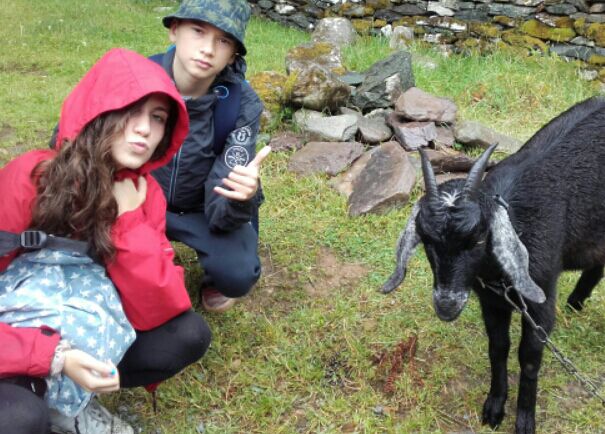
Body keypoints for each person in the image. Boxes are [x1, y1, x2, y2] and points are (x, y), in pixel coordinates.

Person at [0, 48, 211, 434]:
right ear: (98, 112)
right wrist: (51, 356)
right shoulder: (29, 177)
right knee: (21, 418)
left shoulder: (144, 194)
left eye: (158, 117)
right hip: (15, 339)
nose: (145, 129)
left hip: (89, 326)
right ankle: (40, 396)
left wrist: (127, 222)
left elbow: (161, 309)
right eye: (131, 110)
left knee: (188, 334)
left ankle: (70, 401)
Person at [150, 0, 271, 313]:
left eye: (224, 41)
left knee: (238, 273)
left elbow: (225, 186)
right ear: (174, 30)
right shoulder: (137, 79)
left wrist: (240, 197)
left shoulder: (240, 103)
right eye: (198, 31)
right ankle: (143, 253)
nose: (207, 49)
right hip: (138, 202)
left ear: (233, 55)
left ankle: (216, 275)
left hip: (201, 207)